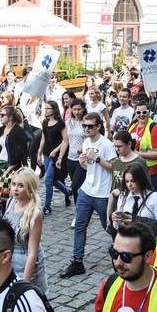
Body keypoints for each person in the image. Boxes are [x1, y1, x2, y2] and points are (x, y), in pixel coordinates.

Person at [60, 113, 117, 278]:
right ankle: (77, 261)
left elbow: (114, 168)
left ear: (98, 126)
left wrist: (97, 158)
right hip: (86, 191)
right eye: (84, 126)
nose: (86, 128)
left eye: (90, 126)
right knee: (79, 225)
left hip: (102, 193)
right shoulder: (85, 142)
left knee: (108, 226)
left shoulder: (106, 144)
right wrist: (82, 162)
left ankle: (125, 247)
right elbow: (88, 168)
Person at [4, 167, 48, 291]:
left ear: (29, 188)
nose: (15, 189)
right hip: (9, 262)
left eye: (21, 185)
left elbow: (32, 252)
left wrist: (24, 283)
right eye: (13, 184)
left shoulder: (35, 214)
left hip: (26, 266)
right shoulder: (10, 202)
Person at [110, 162, 157, 235]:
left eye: (133, 181)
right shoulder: (123, 196)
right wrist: (116, 220)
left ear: (141, 179)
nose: (129, 185)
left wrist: (136, 220)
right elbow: (118, 227)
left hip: (147, 242)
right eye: (127, 181)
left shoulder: (155, 198)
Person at [38, 101, 72, 215]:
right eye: (45, 108)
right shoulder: (45, 122)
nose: (46, 110)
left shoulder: (60, 124)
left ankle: (47, 206)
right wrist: (39, 152)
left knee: (48, 180)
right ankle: (67, 191)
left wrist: (56, 150)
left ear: (54, 109)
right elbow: (43, 138)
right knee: (52, 179)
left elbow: (65, 140)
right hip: (46, 153)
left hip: (55, 155)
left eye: (48, 108)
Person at [128, 99, 157, 192]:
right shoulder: (133, 125)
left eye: (144, 112)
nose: (141, 115)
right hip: (134, 169)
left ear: (149, 112)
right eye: (138, 112)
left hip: (151, 172)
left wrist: (138, 153)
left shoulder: (155, 128)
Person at [65, 98, 88, 210]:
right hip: (70, 157)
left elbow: (92, 139)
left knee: (75, 185)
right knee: (76, 186)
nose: (77, 112)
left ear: (83, 109)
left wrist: (83, 147)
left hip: (82, 158)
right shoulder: (68, 122)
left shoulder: (86, 123)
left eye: (79, 109)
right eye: (74, 109)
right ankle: (79, 208)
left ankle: (80, 209)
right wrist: (60, 156)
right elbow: (65, 140)